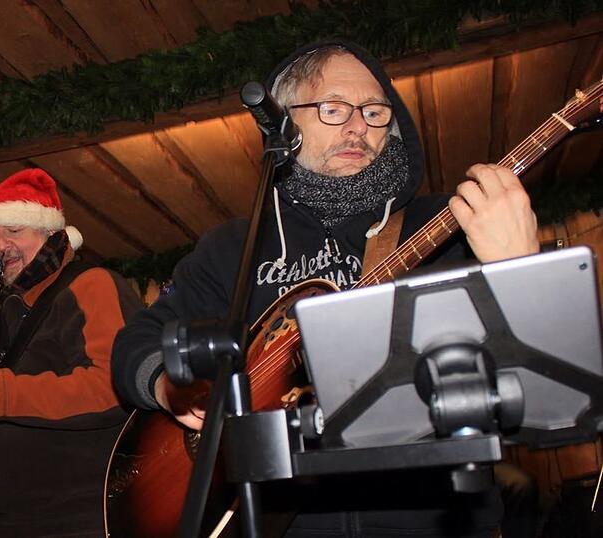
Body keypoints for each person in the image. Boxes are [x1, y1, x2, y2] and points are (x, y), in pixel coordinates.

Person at [110, 39, 540, 537]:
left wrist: (519, 270)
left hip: (432, 516)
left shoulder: (452, 226)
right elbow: (137, 343)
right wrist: (170, 385)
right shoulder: (232, 247)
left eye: (375, 111)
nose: (358, 125)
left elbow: (534, 398)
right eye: (334, 108)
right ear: (284, 124)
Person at [0, 168, 143, 536]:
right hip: (9, 521)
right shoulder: (2, 311)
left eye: (14, 230)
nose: (0, 246)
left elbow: (117, 387)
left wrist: (3, 394)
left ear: (50, 232)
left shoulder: (92, 284)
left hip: (83, 521)